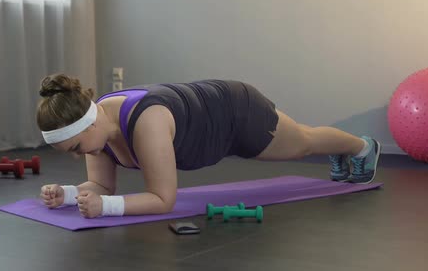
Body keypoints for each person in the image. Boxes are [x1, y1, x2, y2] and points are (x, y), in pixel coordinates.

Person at [37, 74, 381, 218]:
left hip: (235, 113)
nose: (80, 155)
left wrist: (106, 208)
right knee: (304, 141)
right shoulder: (98, 133)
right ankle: (347, 149)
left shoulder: (146, 121)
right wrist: (67, 194)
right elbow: (100, 186)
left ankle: (361, 147)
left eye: (77, 147)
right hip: (209, 117)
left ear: (91, 121)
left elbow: (163, 199)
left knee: (303, 143)